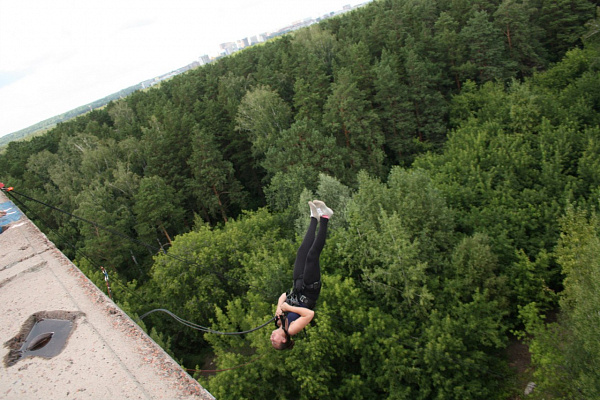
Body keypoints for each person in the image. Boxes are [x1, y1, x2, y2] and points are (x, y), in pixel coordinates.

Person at [270, 200, 333, 350]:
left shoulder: (279, 321)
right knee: (312, 256)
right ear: (284, 340)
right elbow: (309, 314)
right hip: (310, 290)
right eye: (275, 341)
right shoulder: (291, 329)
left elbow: (283, 296)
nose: (272, 338)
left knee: (301, 252)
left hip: (298, 285)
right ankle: (325, 218)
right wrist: (288, 309)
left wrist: (280, 308)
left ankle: (314, 218)